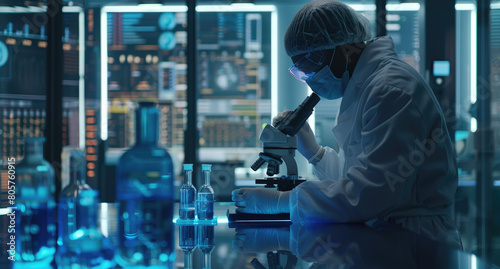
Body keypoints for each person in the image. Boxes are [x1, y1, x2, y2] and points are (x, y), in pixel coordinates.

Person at [232, 0, 462, 248]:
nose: (309, 80)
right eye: (301, 72)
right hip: (388, 235)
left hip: (417, 243)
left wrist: (282, 202)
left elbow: (366, 195)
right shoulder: (366, 87)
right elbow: (357, 178)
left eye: (311, 67)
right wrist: (315, 153)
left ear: (342, 49)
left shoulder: (390, 89)